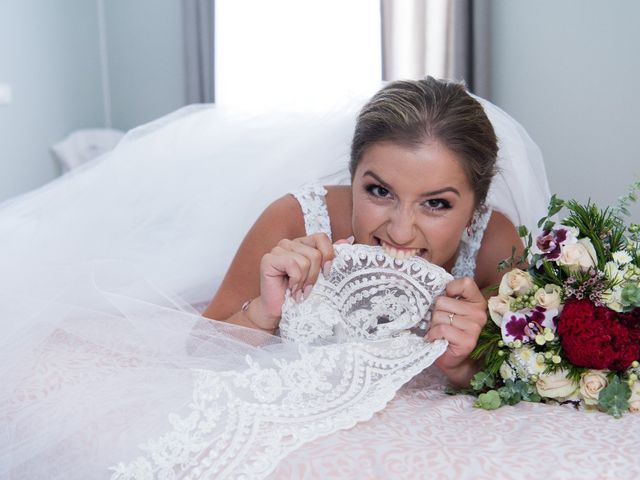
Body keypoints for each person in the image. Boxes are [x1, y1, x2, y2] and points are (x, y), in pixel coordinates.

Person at [203, 76, 525, 388]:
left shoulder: (493, 249)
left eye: (436, 203)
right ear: (353, 176)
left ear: (476, 208)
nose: (400, 232)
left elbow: (523, 374)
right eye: (380, 192)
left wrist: (461, 366)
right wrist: (264, 311)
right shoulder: (294, 220)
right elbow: (196, 354)